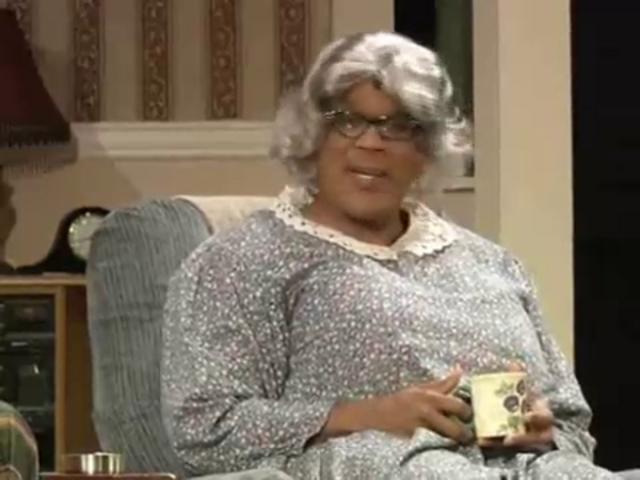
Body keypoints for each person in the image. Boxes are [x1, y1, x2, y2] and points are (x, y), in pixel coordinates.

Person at [161, 32, 623, 479]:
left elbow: (573, 429)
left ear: (427, 150)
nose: (371, 142)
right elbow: (205, 429)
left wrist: (536, 430)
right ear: (313, 135)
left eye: (398, 127)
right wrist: (366, 415)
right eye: (348, 120)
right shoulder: (242, 261)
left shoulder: (493, 264)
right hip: (378, 467)